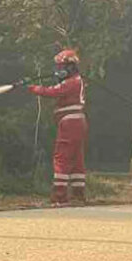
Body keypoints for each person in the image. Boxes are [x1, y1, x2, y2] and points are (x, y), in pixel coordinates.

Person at [28, 49, 87, 206]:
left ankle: (59, 197)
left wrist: (33, 88)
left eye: (61, 67)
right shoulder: (77, 81)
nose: (58, 70)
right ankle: (78, 195)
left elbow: (53, 92)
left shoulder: (71, 83)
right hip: (78, 123)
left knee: (62, 158)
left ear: (70, 67)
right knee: (76, 159)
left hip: (69, 123)